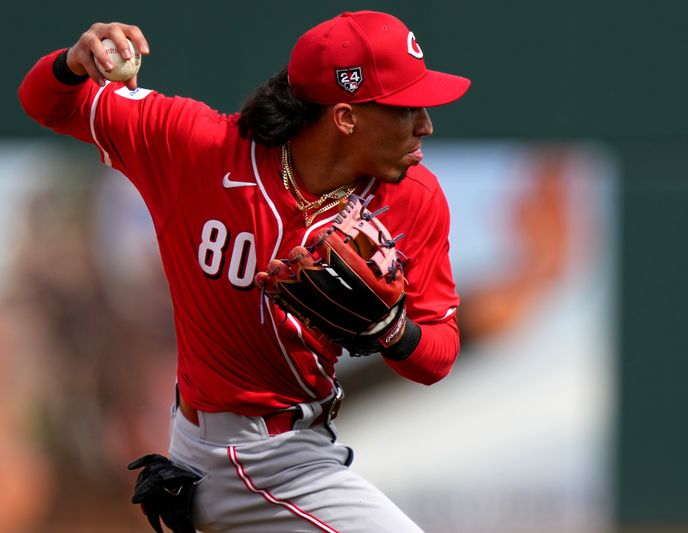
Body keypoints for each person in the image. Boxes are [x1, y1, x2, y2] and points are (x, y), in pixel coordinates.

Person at [19, 10, 470, 533]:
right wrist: (72, 65)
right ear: (346, 117)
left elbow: (438, 355)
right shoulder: (197, 147)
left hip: (305, 447)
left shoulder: (414, 199)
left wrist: (391, 332)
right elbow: (44, 102)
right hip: (242, 456)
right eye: (405, 107)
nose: (425, 124)